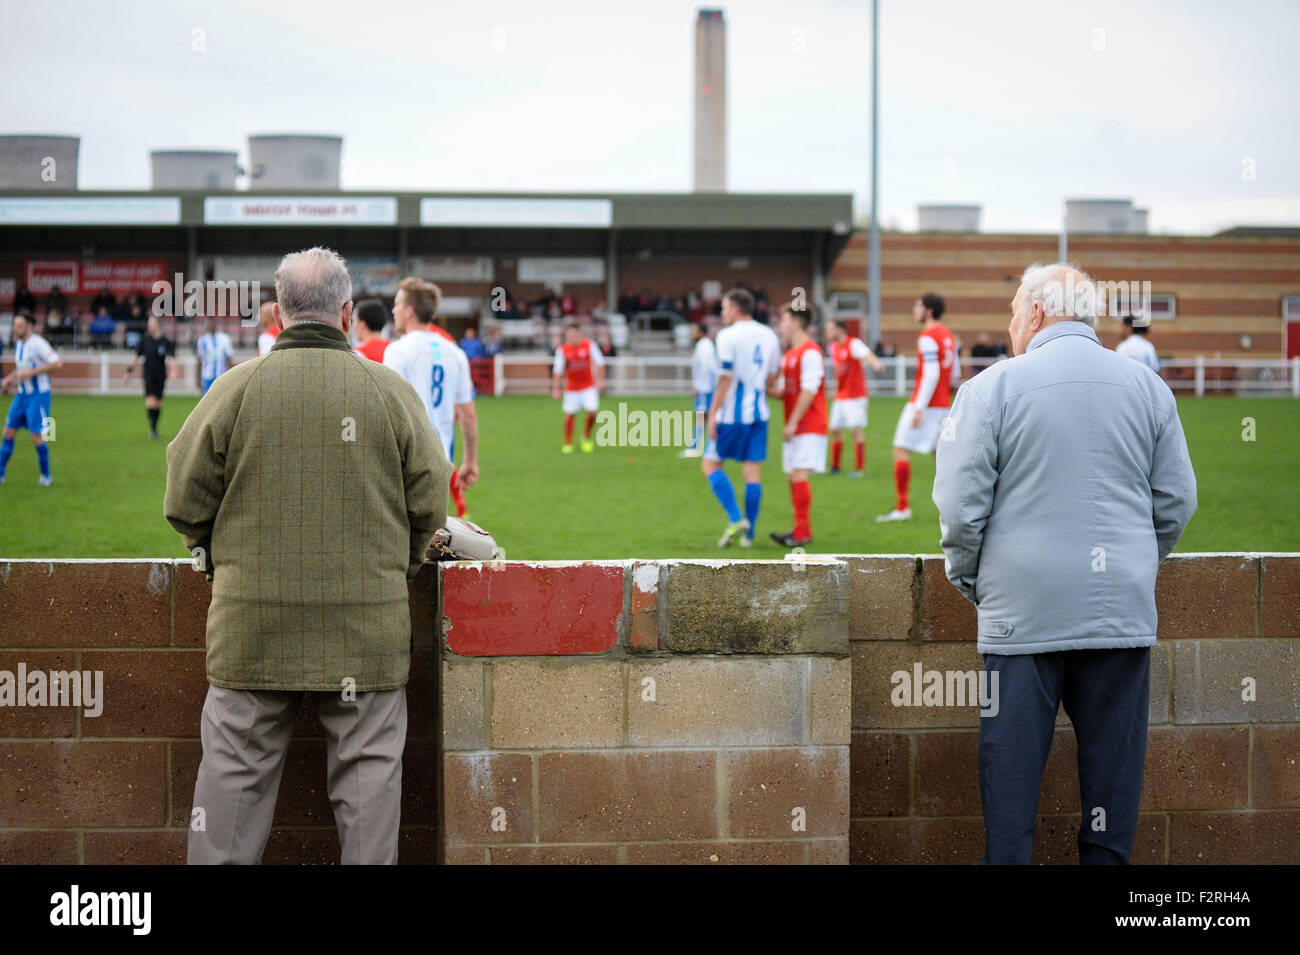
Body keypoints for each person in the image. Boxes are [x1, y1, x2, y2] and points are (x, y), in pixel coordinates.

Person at [166, 247, 450, 865]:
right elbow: (430, 503)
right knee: (370, 803)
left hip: (251, 629)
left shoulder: (235, 387)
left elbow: (184, 499)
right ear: (348, 314)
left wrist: (214, 547)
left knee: (229, 801)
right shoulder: (389, 391)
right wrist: (397, 565)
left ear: (276, 312)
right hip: (366, 629)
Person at [933, 262, 1197, 865]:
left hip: (1021, 613)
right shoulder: (1149, 387)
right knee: (1113, 779)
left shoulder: (991, 387)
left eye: (1012, 312)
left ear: (1036, 314)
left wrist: (975, 580)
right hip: (1119, 614)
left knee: (1011, 784)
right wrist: (1133, 563)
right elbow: (1177, 500)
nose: (1009, 325)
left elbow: (958, 507)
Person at [384, 276, 479, 519]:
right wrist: (470, 460)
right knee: (436, 538)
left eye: (397, 304)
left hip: (405, 466)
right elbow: (468, 415)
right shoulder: (455, 352)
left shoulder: (397, 351)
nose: (393, 310)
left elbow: (390, 411)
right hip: (441, 464)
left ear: (410, 312)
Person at [703, 288, 781, 547]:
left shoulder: (727, 336)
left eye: (725, 308)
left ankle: (736, 519)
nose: (723, 313)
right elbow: (773, 374)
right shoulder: (769, 334)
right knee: (753, 473)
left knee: (711, 465)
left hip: (731, 416)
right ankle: (749, 535)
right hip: (759, 413)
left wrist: (712, 414)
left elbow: (725, 378)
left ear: (736, 309)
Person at [877, 293, 960, 522]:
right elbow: (954, 373)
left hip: (926, 405)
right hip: (943, 405)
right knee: (942, 458)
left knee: (901, 448)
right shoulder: (948, 336)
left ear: (929, 311)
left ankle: (902, 507)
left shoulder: (927, 336)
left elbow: (931, 373)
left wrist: (919, 408)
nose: (914, 310)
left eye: (917, 306)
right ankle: (957, 507)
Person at [770, 303, 827, 548]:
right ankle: (799, 529)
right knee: (792, 477)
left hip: (809, 424)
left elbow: (809, 390)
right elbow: (787, 392)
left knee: (799, 474)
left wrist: (792, 422)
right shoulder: (790, 354)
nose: (780, 325)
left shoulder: (810, 352)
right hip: (796, 425)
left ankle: (802, 533)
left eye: (783, 320)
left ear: (796, 322)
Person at [0, 313, 61, 486]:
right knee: (8, 432)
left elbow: (57, 363)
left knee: (37, 437)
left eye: (19, 325)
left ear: (29, 327)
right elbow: (22, 368)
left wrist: (32, 373)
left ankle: (46, 476)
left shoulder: (38, 344)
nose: (15, 329)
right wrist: (9, 379)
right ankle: (0, 474)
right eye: (15, 325)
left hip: (38, 396)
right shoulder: (20, 344)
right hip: (22, 395)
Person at [826, 319, 885, 476]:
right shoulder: (833, 347)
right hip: (841, 395)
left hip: (855, 396)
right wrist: (835, 389)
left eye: (830, 329)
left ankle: (859, 470)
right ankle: (835, 466)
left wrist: (876, 364)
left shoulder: (853, 343)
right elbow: (839, 371)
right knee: (835, 429)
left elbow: (867, 355)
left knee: (855, 431)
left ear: (840, 330)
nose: (827, 332)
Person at [552, 322, 606, 454]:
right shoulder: (562, 350)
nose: (572, 336)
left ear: (580, 334)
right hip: (572, 388)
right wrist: (556, 389)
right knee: (570, 414)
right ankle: (568, 442)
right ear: (567, 335)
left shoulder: (589, 345)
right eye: (569, 334)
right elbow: (558, 371)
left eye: (575, 334)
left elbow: (600, 363)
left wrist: (601, 381)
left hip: (588, 386)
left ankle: (586, 436)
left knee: (593, 412)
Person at [123, 315, 176, 439]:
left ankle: (154, 428)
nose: (149, 325)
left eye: (151, 323)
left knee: (158, 403)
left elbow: (173, 358)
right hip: (148, 375)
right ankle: (152, 429)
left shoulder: (166, 342)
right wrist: (128, 371)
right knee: (151, 400)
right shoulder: (144, 341)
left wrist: (174, 370)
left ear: (157, 324)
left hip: (161, 375)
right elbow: (136, 357)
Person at [681, 321, 717, 458]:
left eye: (694, 329)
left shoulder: (704, 345)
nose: (692, 332)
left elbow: (706, 368)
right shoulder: (705, 345)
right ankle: (707, 447)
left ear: (701, 331)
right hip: (706, 387)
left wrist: (698, 385)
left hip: (705, 388)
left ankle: (696, 447)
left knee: (701, 416)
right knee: (706, 416)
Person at [195, 319, 234, 394]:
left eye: (211, 324)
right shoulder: (202, 340)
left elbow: (229, 358)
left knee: (221, 398)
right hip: (207, 375)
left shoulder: (224, 338)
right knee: (207, 400)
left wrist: (230, 376)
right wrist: (198, 379)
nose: (210, 327)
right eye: (208, 325)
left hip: (221, 375)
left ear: (215, 325)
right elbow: (199, 360)